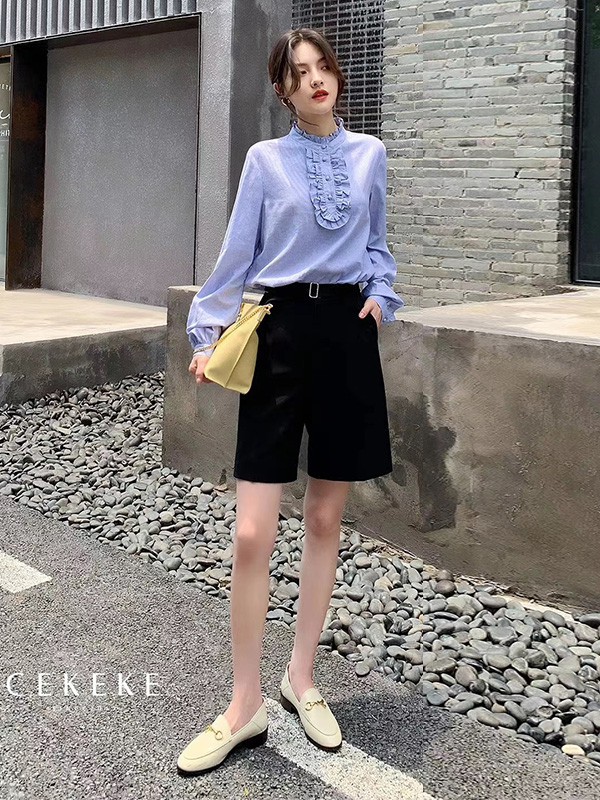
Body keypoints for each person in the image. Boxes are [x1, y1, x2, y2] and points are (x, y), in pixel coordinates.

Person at [177, 26, 405, 776]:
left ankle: (301, 678)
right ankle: (243, 705)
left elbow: (377, 243)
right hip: (277, 333)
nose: (315, 79)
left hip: (346, 335)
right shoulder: (264, 160)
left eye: (322, 67)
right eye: (299, 72)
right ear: (281, 89)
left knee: (326, 520)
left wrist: (380, 294)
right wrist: (207, 330)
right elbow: (237, 252)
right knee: (252, 532)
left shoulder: (370, 154)